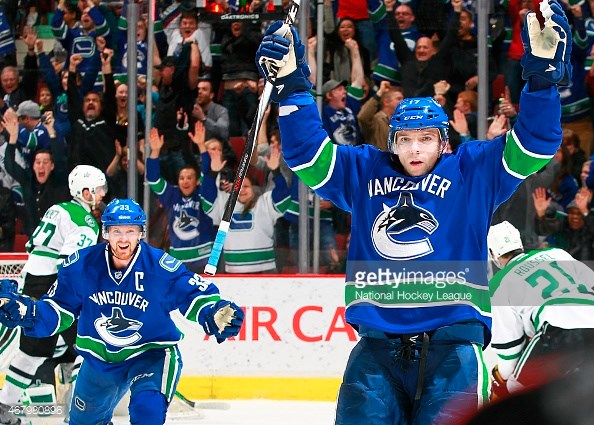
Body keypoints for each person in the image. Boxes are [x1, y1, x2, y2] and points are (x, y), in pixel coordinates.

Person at [254, 0, 571, 422]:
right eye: (405, 139)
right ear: (393, 141)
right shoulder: (365, 169)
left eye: (426, 138)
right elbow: (305, 153)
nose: (415, 148)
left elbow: (536, 143)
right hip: (377, 348)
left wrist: (542, 83)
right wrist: (293, 88)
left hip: (453, 347)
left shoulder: (474, 170)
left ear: (444, 142)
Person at [0, 198, 243, 424]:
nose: (124, 239)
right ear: (105, 233)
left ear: (140, 233)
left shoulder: (159, 267)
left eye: (130, 231)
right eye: (116, 231)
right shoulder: (81, 266)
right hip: (98, 360)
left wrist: (212, 311)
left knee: (146, 411)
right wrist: (27, 313)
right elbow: (58, 310)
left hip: (150, 354)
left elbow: (192, 295)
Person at [0, 164, 107, 424]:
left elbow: (33, 246)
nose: (103, 193)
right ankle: (84, 414)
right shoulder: (85, 222)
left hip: (31, 281)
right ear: (85, 191)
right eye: (99, 188)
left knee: (32, 354)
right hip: (55, 285)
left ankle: (5, 408)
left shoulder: (57, 209)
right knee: (89, 346)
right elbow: (68, 264)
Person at [486, 221, 594, 399]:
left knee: (519, 392)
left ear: (492, 253)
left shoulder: (499, 284)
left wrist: (502, 380)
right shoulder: (557, 253)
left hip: (559, 331)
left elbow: (509, 350)